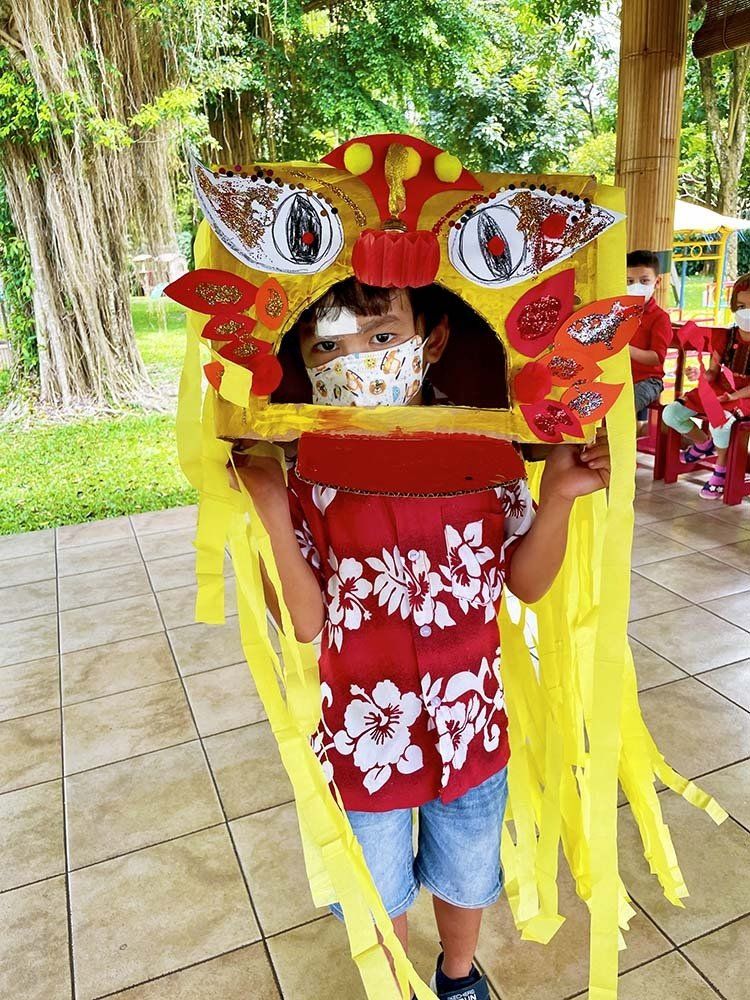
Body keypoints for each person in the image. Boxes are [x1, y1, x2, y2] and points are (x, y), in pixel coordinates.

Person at [231, 277, 611, 1000]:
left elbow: (526, 582)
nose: (359, 360)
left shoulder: (488, 448)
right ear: (303, 362)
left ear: (430, 341)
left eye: (381, 338)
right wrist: (274, 514)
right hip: (363, 731)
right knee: (378, 885)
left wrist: (557, 496)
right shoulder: (306, 470)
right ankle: (397, 987)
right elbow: (305, 621)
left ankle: (458, 978)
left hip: (470, 719)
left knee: (467, 869)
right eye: (328, 346)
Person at [661, 272, 750, 499]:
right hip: (720, 390)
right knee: (671, 413)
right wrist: (700, 375)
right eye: (741, 305)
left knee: (720, 422)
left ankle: (722, 468)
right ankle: (705, 444)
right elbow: (712, 371)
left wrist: (732, 397)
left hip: (745, 396)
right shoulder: (726, 336)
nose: (745, 312)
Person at [626, 249, 673, 425]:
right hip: (619, 376)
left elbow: (656, 358)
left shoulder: (660, 318)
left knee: (624, 408)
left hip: (648, 381)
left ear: (657, 282)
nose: (636, 286)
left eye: (644, 281)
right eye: (629, 281)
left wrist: (624, 349)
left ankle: (619, 448)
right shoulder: (618, 312)